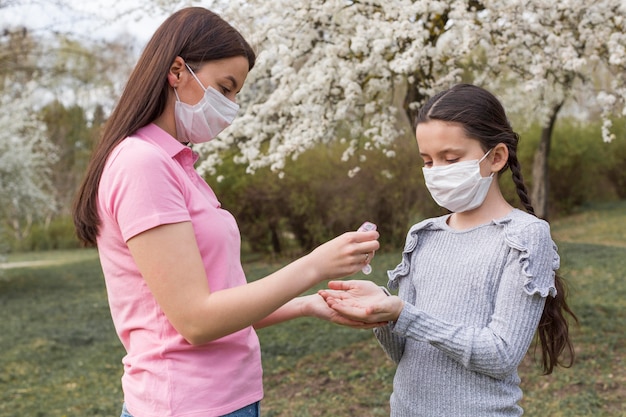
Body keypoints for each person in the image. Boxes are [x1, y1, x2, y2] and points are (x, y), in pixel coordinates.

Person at [72, 7, 379, 417]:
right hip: (184, 404)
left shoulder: (177, 165)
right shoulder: (142, 164)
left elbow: (223, 303)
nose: (232, 108)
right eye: (225, 88)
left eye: (237, 94)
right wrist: (315, 264)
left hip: (227, 399)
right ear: (177, 71)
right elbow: (197, 321)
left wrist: (307, 304)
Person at [319, 84, 577, 417]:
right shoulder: (423, 235)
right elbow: (406, 352)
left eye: (450, 159)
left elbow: (500, 356)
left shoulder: (525, 237)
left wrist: (402, 314)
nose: (437, 171)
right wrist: (381, 312)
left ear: (496, 157)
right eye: (427, 161)